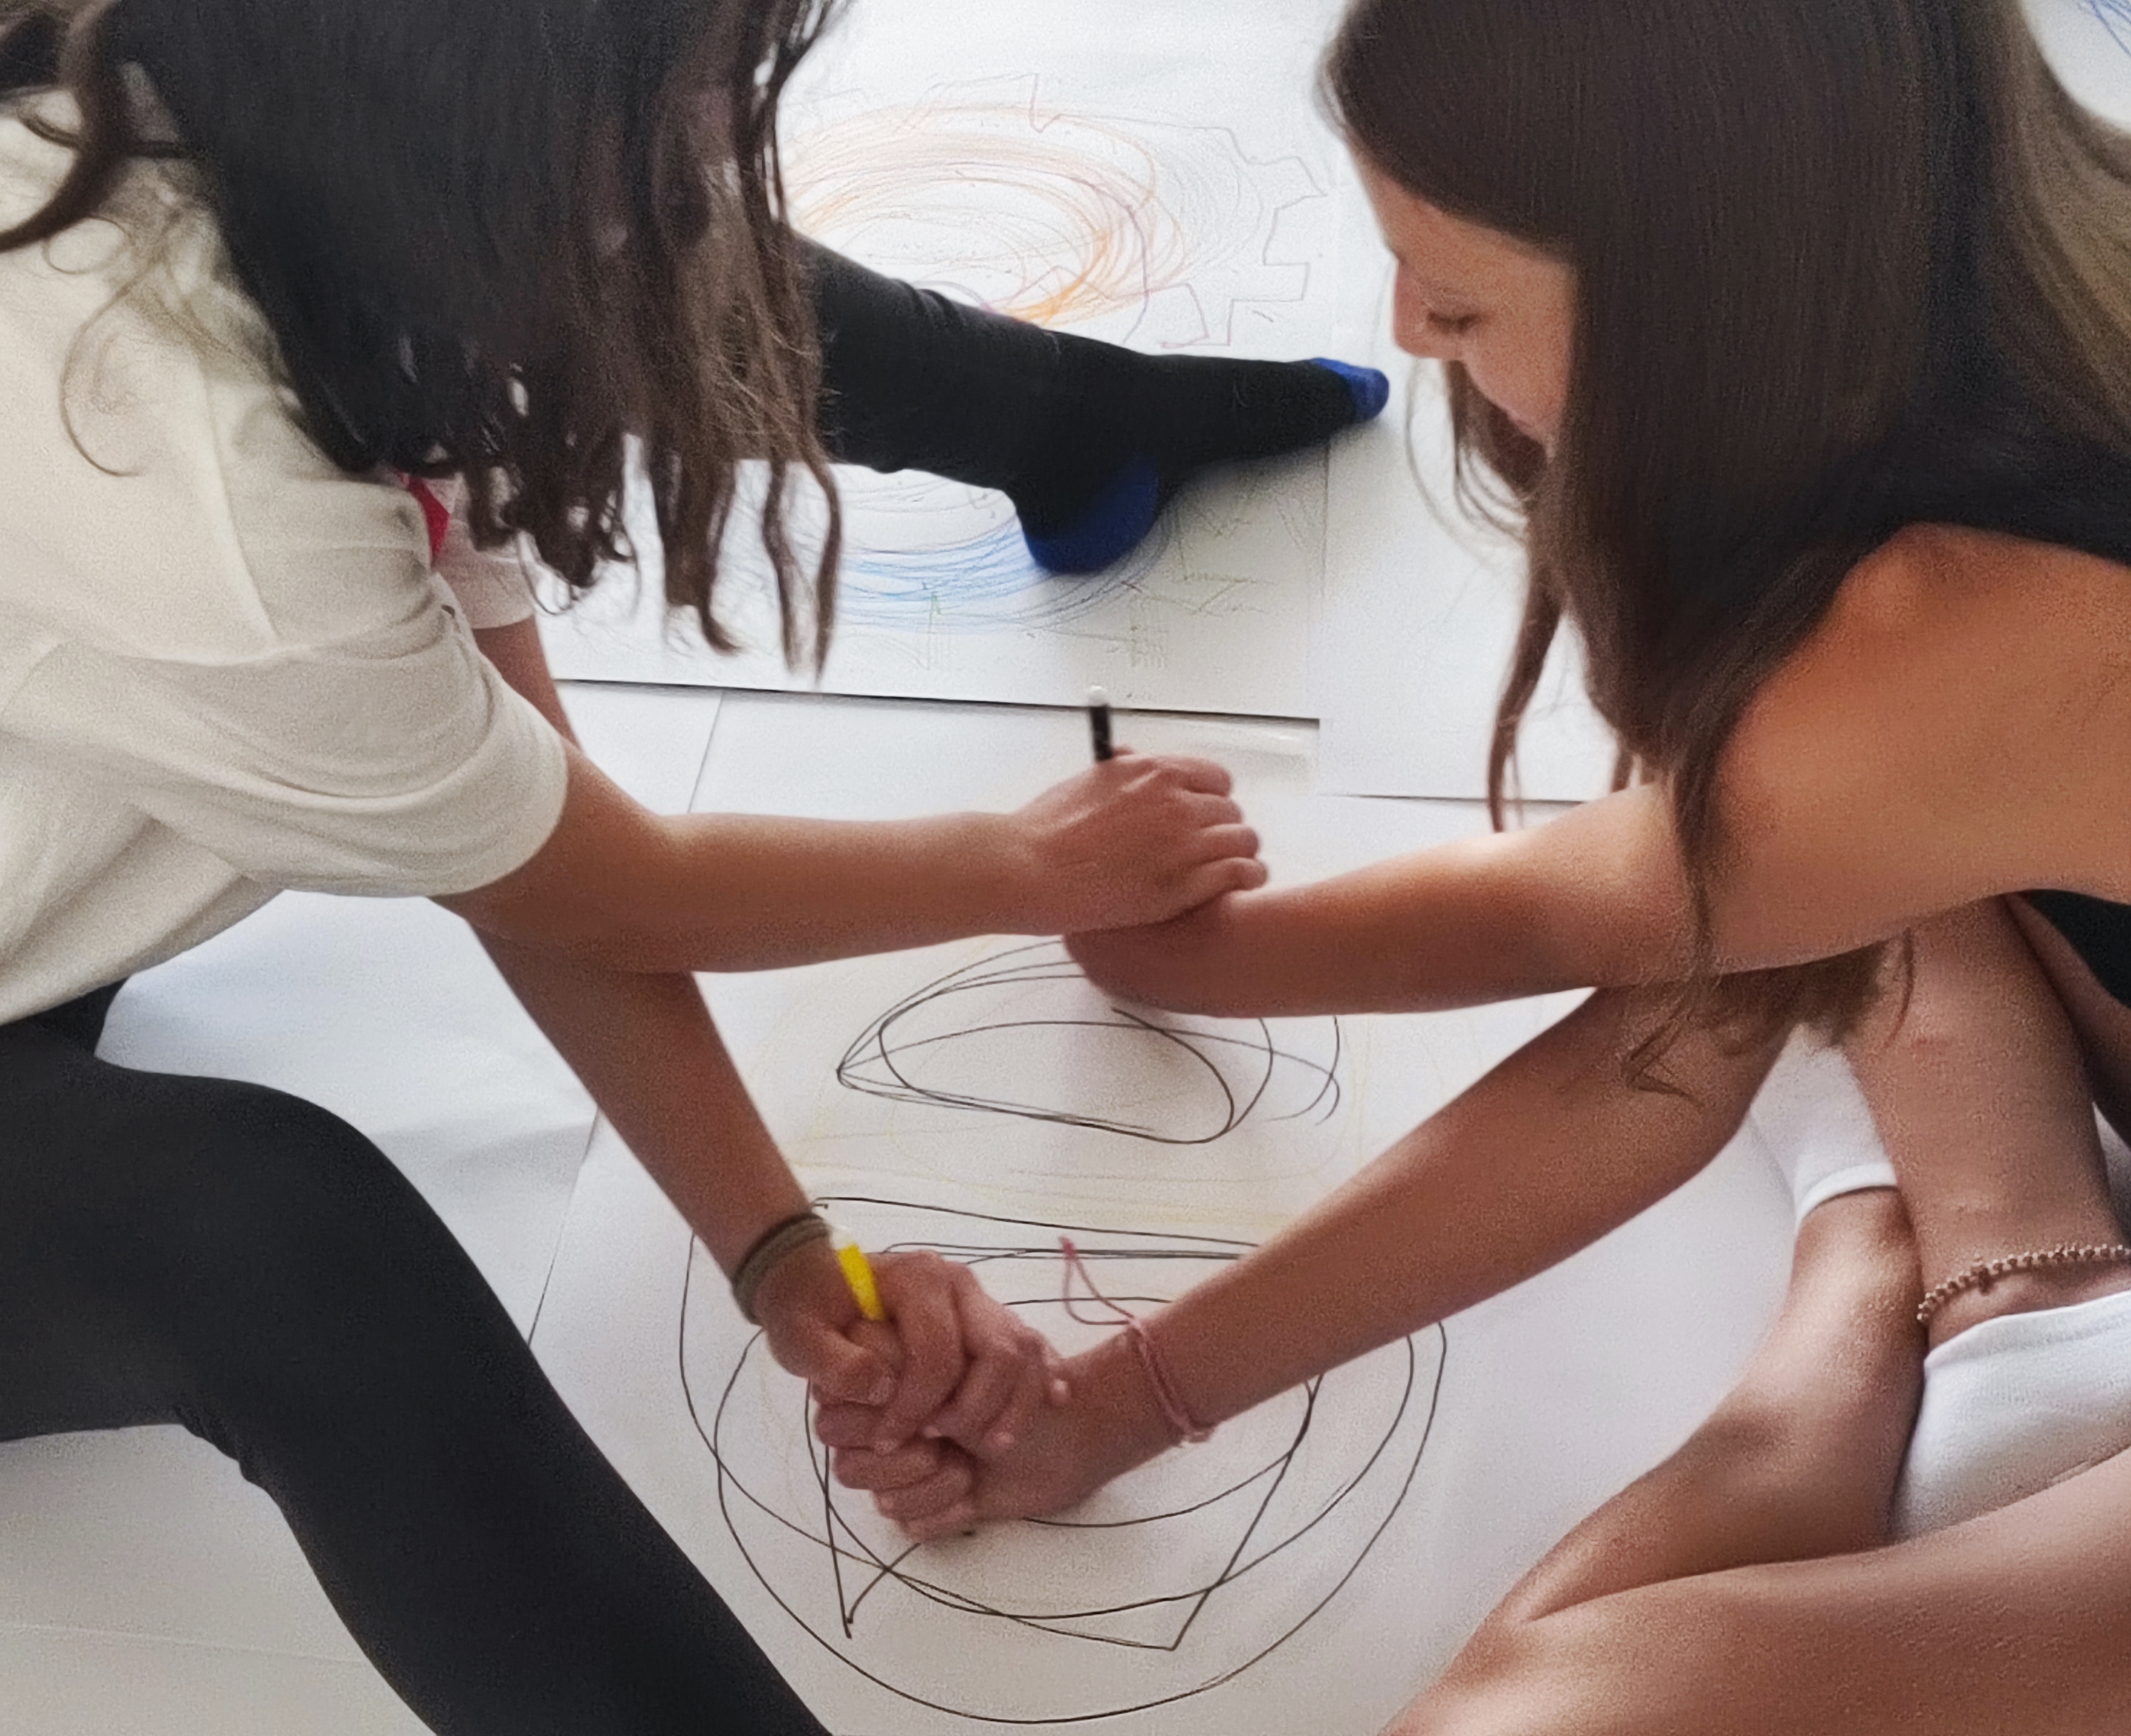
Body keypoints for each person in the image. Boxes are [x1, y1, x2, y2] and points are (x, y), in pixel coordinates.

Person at [0, 0, 1317, 1730]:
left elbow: (527, 826)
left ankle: (1079, 421)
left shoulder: (284, 158)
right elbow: (594, 882)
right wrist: (1020, 865)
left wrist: (783, 1260)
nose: (722, 153)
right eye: (685, 101)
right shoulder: (185, 465)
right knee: (274, 1242)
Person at [819, 1, 2131, 1727]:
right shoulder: (2046, 283)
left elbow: (1629, 990)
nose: (1404, 332)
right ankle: (1956, 1272)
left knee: (1546, 1703)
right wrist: (1112, 1400)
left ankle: (1909, 1272)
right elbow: (1690, 934)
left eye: (1455, 301)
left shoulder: (1950, 651)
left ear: (1710, 306)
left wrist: (1187, 963)